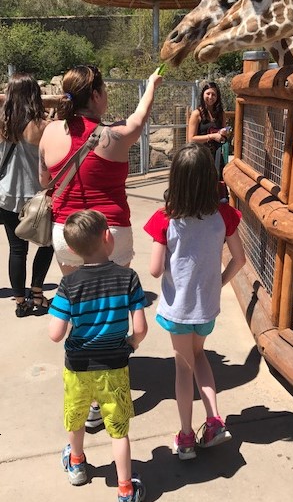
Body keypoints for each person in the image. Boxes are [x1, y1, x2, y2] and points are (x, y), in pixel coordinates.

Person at [39, 64, 162, 429]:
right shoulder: (114, 136)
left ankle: (85, 386)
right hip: (111, 233)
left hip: (66, 233)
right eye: (104, 90)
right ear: (94, 95)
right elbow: (141, 116)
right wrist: (152, 83)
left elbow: (44, 179)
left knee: (78, 305)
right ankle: (111, 373)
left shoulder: (50, 132)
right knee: (113, 303)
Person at [144, 142, 246, 460]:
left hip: (178, 309)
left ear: (176, 180)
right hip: (206, 308)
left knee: (183, 368)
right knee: (200, 358)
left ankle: (186, 436)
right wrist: (218, 283)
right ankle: (214, 421)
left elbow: (154, 268)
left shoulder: (165, 219)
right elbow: (239, 259)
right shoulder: (224, 215)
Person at [48, 209, 148, 502]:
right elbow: (139, 328)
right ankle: (126, 488)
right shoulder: (127, 278)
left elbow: (55, 333)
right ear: (108, 237)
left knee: (76, 419)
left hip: (78, 367)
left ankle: (77, 464)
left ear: (73, 250)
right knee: (118, 429)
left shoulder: (69, 285)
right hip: (115, 365)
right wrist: (130, 344)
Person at [0, 73, 54, 317]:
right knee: (47, 244)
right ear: (36, 95)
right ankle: (37, 292)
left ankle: (20, 302)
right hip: (38, 198)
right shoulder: (43, 126)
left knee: (16, 249)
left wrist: (11, 97)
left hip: (7, 195)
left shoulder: (3, 123)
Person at [187, 82, 230, 178]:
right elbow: (191, 139)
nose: (210, 97)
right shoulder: (196, 114)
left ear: (217, 97)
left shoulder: (221, 114)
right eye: (208, 93)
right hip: (200, 156)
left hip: (216, 156)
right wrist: (212, 136)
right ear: (203, 94)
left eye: (214, 94)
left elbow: (223, 137)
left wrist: (223, 133)